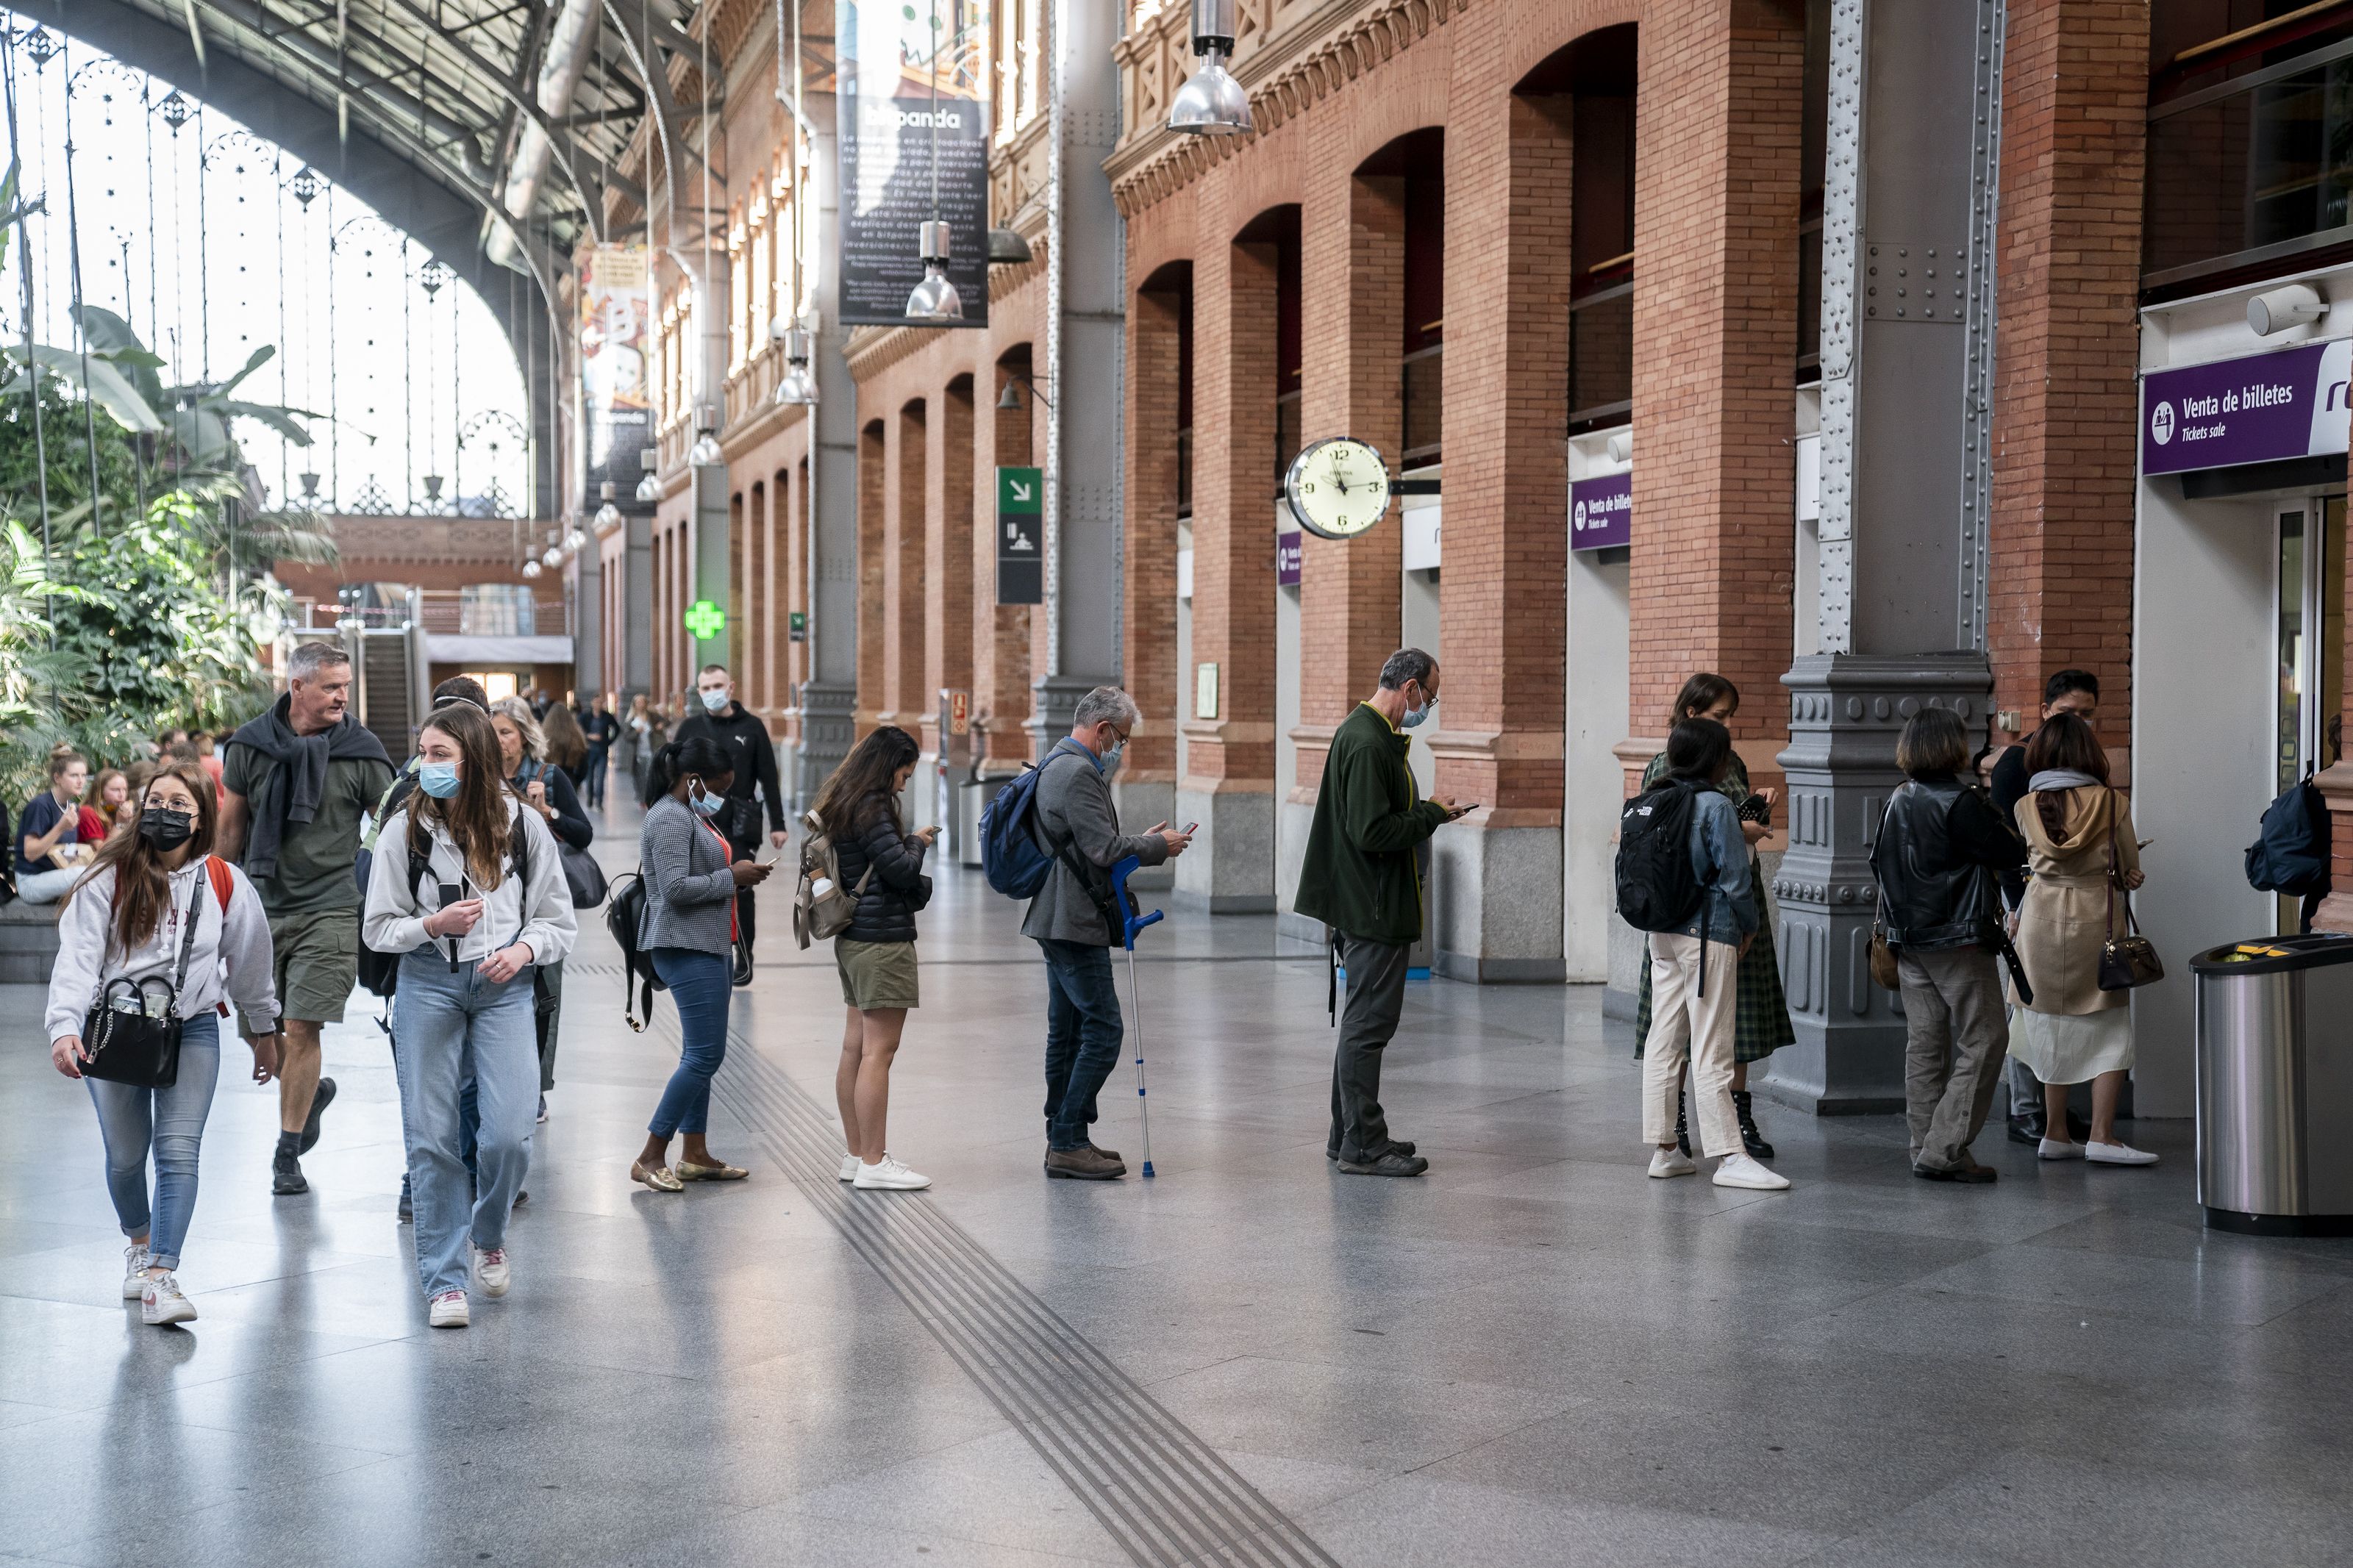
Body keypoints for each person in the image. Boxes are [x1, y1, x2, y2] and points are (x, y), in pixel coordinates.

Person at [362, 701, 575, 1328]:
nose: (424, 766)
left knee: (509, 1133)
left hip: (504, 987)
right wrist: (431, 924)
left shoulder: (523, 827)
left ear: (475, 759)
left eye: (438, 755)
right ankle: (445, 1281)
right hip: (428, 984)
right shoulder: (406, 828)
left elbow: (558, 919)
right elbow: (377, 926)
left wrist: (523, 949)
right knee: (430, 1137)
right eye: (423, 753)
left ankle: (488, 1232)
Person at [45, 763, 283, 1326]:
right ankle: (139, 1240)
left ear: (202, 817)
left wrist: (265, 1029)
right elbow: (78, 957)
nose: (166, 812)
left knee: (178, 1153)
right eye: (158, 800)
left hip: (193, 1025)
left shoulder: (225, 881)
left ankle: (160, 1275)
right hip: (115, 1027)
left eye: (181, 804)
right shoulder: (110, 875)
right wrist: (64, 1026)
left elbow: (250, 964)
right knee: (127, 1158)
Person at [221, 641, 397, 1196]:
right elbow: (230, 829)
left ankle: (287, 1152)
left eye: (346, 685)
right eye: (330, 686)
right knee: (260, 1030)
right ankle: (311, 1091)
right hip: (259, 905)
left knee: (301, 1025)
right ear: (297, 687)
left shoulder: (362, 752)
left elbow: (393, 826)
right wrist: (216, 898)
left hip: (331, 906)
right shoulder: (250, 746)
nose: (342, 695)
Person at [1295, 650, 1464, 1178]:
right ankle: (1364, 1143)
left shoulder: (1368, 733)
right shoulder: (1368, 741)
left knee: (1360, 1023)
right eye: (1429, 696)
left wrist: (1425, 813)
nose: (1428, 706)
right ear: (1409, 687)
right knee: (1369, 1026)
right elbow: (1371, 831)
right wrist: (1432, 813)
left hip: (1366, 901)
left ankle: (1347, 1132)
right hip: (1372, 907)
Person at [1022, 687, 1189, 1179]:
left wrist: (1144, 840)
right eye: (1123, 739)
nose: (1122, 748)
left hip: (1057, 915)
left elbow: (1091, 841)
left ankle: (1065, 1136)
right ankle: (1068, 1138)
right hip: (1073, 920)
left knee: (1068, 1030)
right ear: (1103, 730)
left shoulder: (1057, 761)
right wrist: (1157, 844)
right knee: (1105, 1029)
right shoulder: (1077, 772)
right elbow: (1102, 849)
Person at [1630, 674, 1792, 1158]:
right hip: (1702, 905)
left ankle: (1704, 1130)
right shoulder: (1669, 762)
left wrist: (1753, 813)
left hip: (1701, 906)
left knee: (1726, 1021)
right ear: (1692, 712)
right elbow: (1695, 831)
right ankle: (1707, 1141)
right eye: (1719, 716)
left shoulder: (1731, 759)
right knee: (1699, 1033)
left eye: (1730, 716)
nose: (1728, 725)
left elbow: (1730, 817)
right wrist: (1738, 825)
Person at [1871, 708, 2029, 1183]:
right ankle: (1944, 1149)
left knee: (1925, 1045)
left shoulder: (1898, 799)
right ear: (1952, 747)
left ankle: (1925, 1145)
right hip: (1956, 940)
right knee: (1987, 1039)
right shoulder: (1960, 803)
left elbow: (1879, 864)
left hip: (1908, 942)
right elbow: (2010, 852)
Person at [2009, 712, 2157, 1167]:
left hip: (2040, 921)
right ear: (2088, 754)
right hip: (2096, 918)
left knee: (2050, 1023)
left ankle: (2054, 1133)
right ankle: (2102, 1136)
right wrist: (2129, 872)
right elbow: (2128, 866)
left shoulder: (2025, 806)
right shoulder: (2112, 803)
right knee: (2108, 1027)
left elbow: (2028, 860)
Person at [633, 736, 769, 1192]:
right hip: (684, 944)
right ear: (692, 780)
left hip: (705, 943)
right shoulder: (670, 817)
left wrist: (735, 876)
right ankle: (651, 1155)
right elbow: (672, 888)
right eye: (719, 787)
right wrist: (731, 877)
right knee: (705, 1055)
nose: (722, 796)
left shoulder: (689, 813)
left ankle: (695, 1153)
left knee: (701, 1054)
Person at [815, 726, 936, 1190]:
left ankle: (855, 1155)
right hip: (882, 941)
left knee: (855, 1048)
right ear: (887, 766)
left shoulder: (843, 798)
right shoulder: (872, 805)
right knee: (879, 1053)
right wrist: (918, 843)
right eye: (904, 774)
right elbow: (901, 870)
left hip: (853, 937)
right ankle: (874, 1161)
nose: (904, 784)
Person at [1990, 669, 2101, 1147]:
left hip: (2073, 904)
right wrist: (2014, 905)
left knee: (2069, 1004)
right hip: (2025, 901)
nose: (2080, 722)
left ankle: (2058, 1112)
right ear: (2045, 711)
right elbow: (2005, 845)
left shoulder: (2088, 765)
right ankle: (2025, 1109)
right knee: (2027, 1002)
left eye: (2088, 713)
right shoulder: (2018, 763)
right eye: (2069, 712)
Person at [490, 697, 592, 1120]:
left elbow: (583, 834)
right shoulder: (480, 779)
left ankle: (536, 1087)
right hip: (495, 905)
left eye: (506, 733)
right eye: (492, 733)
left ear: (525, 736)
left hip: (541, 907)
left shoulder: (550, 778)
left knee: (543, 1000)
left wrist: (547, 811)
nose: (499, 742)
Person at [672, 664, 788, 977]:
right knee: (705, 886)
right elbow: (670, 774)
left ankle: (743, 954)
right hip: (697, 822)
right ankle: (708, 949)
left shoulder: (752, 727)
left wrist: (777, 824)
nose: (712, 693)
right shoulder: (690, 728)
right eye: (706, 688)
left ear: (731, 687)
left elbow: (769, 777)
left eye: (717, 686)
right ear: (699, 692)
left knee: (740, 885)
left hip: (740, 824)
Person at [17, 748, 95, 903]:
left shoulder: (72, 807)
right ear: (57, 778)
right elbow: (30, 854)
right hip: (31, 881)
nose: (81, 781)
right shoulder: (40, 806)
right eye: (74, 775)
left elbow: (64, 851)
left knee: (99, 869)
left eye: (83, 775)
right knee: (85, 874)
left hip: (57, 875)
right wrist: (60, 828)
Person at [579, 695, 619, 809]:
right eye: (595, 702)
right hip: (589, 750)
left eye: (600, 702)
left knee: (601, 776)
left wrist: (609, 741)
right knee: (590, 776)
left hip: (602, 749)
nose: (597, 704)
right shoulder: (585, 717)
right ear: (592, 703)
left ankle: (599, 801)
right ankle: (590, 797)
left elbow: (617, 728)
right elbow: (579, 729)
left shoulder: (607, 717)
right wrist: (588, 736)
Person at [542, 699, 590, 792]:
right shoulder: (576, 736)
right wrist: (576, 782)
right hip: (569, 781)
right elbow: (584, 767)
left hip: (547, 782)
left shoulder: (544, 735)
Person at [624, 693, 663, 801]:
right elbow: (626, 736)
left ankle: (649, 796)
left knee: (650, 774)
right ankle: (641, 796)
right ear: (634, 705)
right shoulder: (631, 719)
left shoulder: (652, 716)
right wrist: (636, 732)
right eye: (638, 702)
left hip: (651, 750)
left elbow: (666, 721)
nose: (641, 704)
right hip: (637, 752)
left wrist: (661, 725)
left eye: (643, 702)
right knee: (639, 776)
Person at [82, 767, 133, 844]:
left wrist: (130, 822)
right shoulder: (88, 812)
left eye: (125, 790)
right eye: (116, 790)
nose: (122, 795)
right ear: (100, 792)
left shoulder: (115, 811)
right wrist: (120, 824)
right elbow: (100, 852)